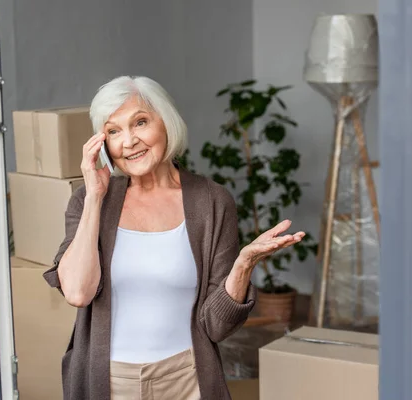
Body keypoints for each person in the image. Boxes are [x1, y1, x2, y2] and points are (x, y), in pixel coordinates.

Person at [43, 76, 305, 400]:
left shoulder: (211, 201)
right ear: (102, 143)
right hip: (110, 382)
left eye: (140, 122)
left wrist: (243, 264)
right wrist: (96, 197)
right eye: (113, 131)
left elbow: (216, 327)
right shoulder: (88, 202)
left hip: (187, 380)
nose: (129, 141)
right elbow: (78, 293)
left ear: (166, 122)